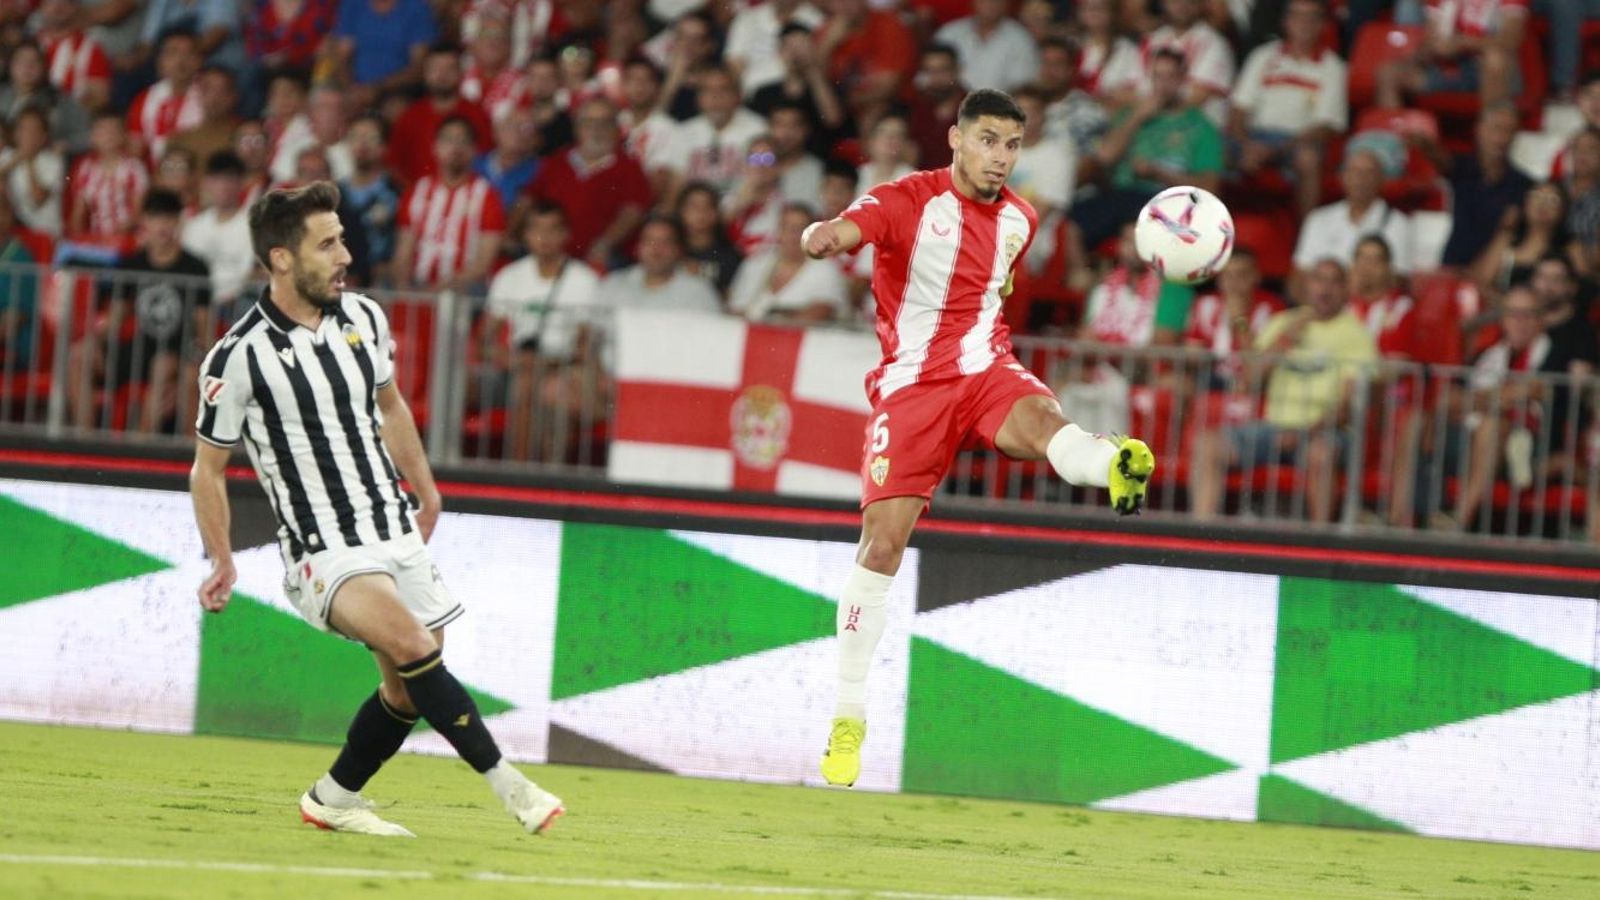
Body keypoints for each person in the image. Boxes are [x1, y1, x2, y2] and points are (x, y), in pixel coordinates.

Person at [800, 89, 1154, 788]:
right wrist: (823, 235)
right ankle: (848, 713)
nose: (1000, 157)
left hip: (986, 367)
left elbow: (989, 299)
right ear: (957, 139)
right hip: (913, 389)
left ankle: (1114, 461)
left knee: (1050, 429)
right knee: (882, 544)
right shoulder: (905, 199)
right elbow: (846, 229)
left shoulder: (1020, 220)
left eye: (1012, 145)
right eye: (988, 140)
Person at [189, 181, 564, 837]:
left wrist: (428, 489)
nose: (345, 256)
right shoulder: (238, 356)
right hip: (322, 551)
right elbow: (208, 469)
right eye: (328, 243)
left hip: (392, 528)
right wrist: (221, 556)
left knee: (405, 687)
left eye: (342, 240)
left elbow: (390, 407)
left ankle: (331, 799)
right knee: (417, 647)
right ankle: (514, 789)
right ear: (281, 259)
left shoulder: (364, 317)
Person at [1188, 258, 1377, 523]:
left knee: (1320, 453)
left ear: (1345, 290)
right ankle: (1201, 534)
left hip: (1325, 432)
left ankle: (1320, 544)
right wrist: (1284, 340)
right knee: (1208, 444)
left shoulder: (1356, 334)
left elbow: (1346, 404)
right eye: (1319, 280)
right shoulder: (1283, 322)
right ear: (1306, 286)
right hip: (1273, 428)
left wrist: (1305, 432)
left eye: (1334, 282)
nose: (1325, 288)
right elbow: (1250, 379)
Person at [66, 188, 212, 434]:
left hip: (177, 351)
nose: (162, 225)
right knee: (79, 356)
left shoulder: (195, 267)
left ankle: (140, 449)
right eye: (156, 218)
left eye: (168, 218)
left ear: (178, 221)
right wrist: (95, 341)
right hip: (140, 349)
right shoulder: (132, 263)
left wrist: (203, 361)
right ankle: (86, 442)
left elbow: (203, 325)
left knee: (163, 365)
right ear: (144, 221)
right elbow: (116, 317)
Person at [484, 201, 603, 463]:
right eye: (537, 230)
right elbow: (485, 339)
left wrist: (542, 363)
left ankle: (521, 473)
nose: (544, 238)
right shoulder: (509, 276)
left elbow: (585, 348)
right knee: (519, 381)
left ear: (566, 234)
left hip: (565, 366)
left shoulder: (585, 280)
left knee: (539, 388)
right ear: (525, 235)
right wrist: (507, 358)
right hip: (516, 366)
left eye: (552, 230)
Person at [1227, 0, 1348, 217]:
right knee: (1206, 148)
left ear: (1322, 24)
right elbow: (1238, 112)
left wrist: (1275, 149)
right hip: (1252, 136)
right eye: (1297, 16)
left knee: (1308, 159)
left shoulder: (1333, 67)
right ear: (1286, 22)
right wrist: (1246, 145)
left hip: (1295, 141)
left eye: (1312, 17)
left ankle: (1305, 239)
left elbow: (1325, 128)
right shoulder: (1262, 56)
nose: (1304, 23)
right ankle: (1207, 233)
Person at [392, 116, 506, 290]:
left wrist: (444, 287)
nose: (456, 148)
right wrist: (404, 288)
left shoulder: (487, 195)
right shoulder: (418, 191)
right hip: (418, 287)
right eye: (448, 140)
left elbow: (483, 263)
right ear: (435, 147)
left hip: (463, 290)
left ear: (474, 150)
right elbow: (404, 252)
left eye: (463, 141)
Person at [729, 202, 847, 323]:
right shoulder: (754, 264)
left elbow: (823, 311)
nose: (793, 236)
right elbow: (736, 310)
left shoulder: (825, 270)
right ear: (779, 231)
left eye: (800, 230)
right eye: (788, 228)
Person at [181, 150, 255, 305]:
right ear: (207, 182)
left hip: (236, 306)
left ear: (241, 183)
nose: (223, 186)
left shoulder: (253, 226)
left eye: (230, 180)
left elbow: (251, 274)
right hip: (196, 305)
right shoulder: (194, 225)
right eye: (217, 179)